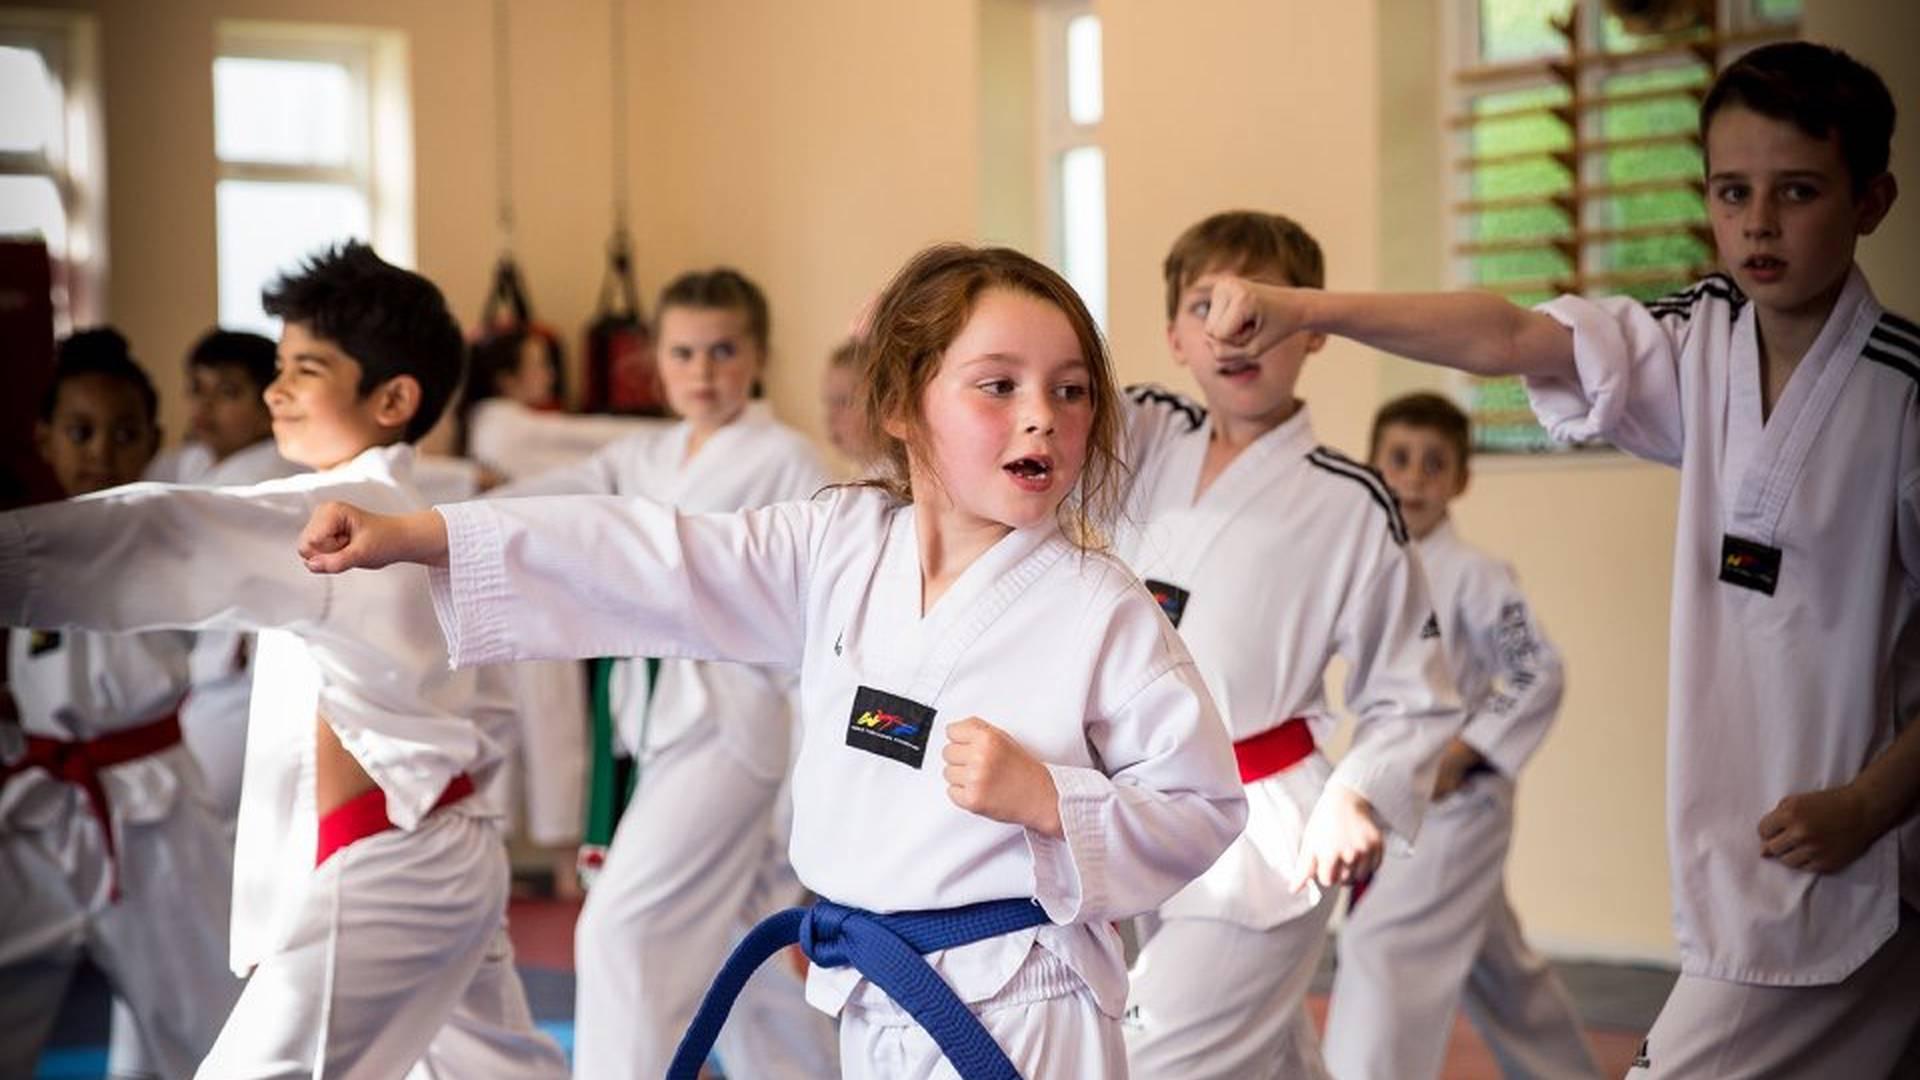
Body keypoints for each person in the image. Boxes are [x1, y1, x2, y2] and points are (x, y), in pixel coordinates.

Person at [297, 242, 1250, 1079]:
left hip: (1024, 1007)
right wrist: (426, 537)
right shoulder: (839, 545)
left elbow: (1205, 809)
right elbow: (657, 559)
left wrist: (1053, 802)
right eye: (998, 386)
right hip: (872, 989)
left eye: (1070, 389)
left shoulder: (1100, 608)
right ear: (903, 406)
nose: (1042, 416)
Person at [1197, 42, 1920, 1076]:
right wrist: (1314, 310)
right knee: (1515, 987)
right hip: (1743, 845)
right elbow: (1507, 335)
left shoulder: (1902, 399)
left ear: (1872, 200)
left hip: (1854, 858)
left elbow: (1537, 672)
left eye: (1797, 192)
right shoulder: (1697, 342)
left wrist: (1870, 803)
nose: (1758, 223)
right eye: (1731, 191)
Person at [0, 244, 567, 1078]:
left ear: (392, 399)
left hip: (394, 865)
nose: (276, 392)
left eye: (306, 369)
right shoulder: (396, 506)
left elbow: (166, 532)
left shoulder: (339, 517)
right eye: (278, 366)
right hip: (440, 850)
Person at [1111, 211, 1461, 1079]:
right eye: (1205, 307)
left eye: (1260, 310)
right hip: (1125, 810)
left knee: (1152, 1064)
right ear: (1173, 337)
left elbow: (1414, 692)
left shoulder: (1350, 502)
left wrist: (1361, 793)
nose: (1232, 332)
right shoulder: (1142, 437)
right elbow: (1040, 382)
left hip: (1259, 830)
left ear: (1314, 330)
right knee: (1265, 1062)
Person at [490, 267, 838, 1079]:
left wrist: (814, 766)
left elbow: (823, 616)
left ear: (758, 355)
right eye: (683, 352)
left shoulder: (788, 459)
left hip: (736, 719)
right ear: (654, 358)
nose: (704, 371)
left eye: (724, 351)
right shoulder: (643, 454)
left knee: (622, 930)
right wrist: (441, 513)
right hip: (655, 719)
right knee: (739, 946)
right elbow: (557, 501)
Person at [1320, 391, 1599, 1080]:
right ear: (1372, 467)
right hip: (1397, 794)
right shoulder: (1369, 564)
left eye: (1434, 464)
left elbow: (1540, 670)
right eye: (1400, 460)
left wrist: (1463, 751)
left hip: (1455, 803)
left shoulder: (1477, 575)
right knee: (1501, 970)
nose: (1414, 478)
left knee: (1383, 949)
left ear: (1462, 479)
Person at [0, 329, 242, 1080]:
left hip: (155, 808)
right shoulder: (23, 545)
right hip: (40, 807)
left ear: (154, 441)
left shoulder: (175, 535)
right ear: (43, 435)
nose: (100, 451)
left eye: (124, 433)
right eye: (79, 431)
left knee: (210, 1024)